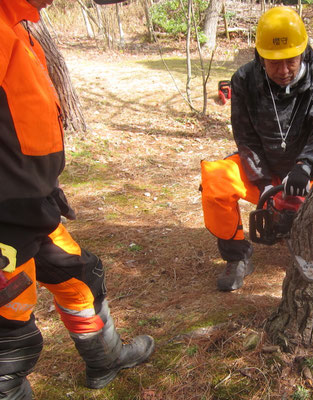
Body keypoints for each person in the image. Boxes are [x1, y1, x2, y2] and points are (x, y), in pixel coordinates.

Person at [0, 0, 154, 398]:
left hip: (30, 206)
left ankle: (106, 359)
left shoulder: (17, 22)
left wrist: (41, 184)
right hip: (5, 219)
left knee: (81, 276)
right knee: (8, 341)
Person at [201, 6, 313, 292]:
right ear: (261, 56)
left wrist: (305, 166)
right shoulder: (245, 80)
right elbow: (245, 137)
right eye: (274, 63)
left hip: (307, 171)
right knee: (216, 179)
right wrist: (262, 186)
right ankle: (237, 256)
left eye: (290, 61)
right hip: (262, 167)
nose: (283, 71)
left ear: (303, 52)